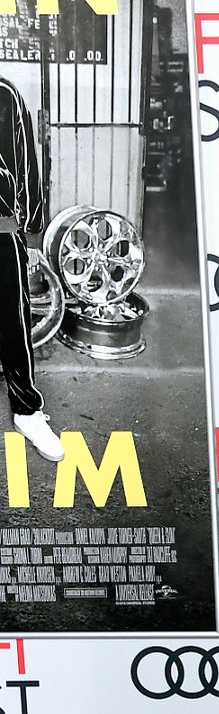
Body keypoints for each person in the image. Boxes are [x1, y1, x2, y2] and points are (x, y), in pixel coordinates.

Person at [0, 75, 64, 462]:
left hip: (0, 228)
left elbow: (26, 165)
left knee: (13, 321)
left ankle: (27, 411)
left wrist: (35, 234)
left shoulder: (4, 95)